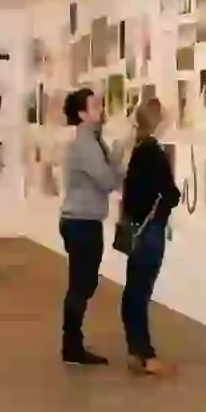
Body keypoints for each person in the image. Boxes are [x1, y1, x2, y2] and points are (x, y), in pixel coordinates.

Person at [60, 87, 128, 366]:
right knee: (82, 284)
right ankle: (71, 346)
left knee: (83, 283)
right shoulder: (86, 145)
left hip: (83, 221)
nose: (101, 109)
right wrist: (121, 160)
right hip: (81, 223)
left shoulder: (93, 141)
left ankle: (71, 343)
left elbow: (108, 174)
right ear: (82, 114)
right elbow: (108, 181)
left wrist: (118, 153)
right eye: (95, 106)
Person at [120, 99, 181, 376]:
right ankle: (145, 354)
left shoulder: (138, 149)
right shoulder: (153, 152)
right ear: (157, 121)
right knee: (140, 292)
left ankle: (136, 351)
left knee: (134, 290)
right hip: (150, 231)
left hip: (137, 228)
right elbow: (169, 193)